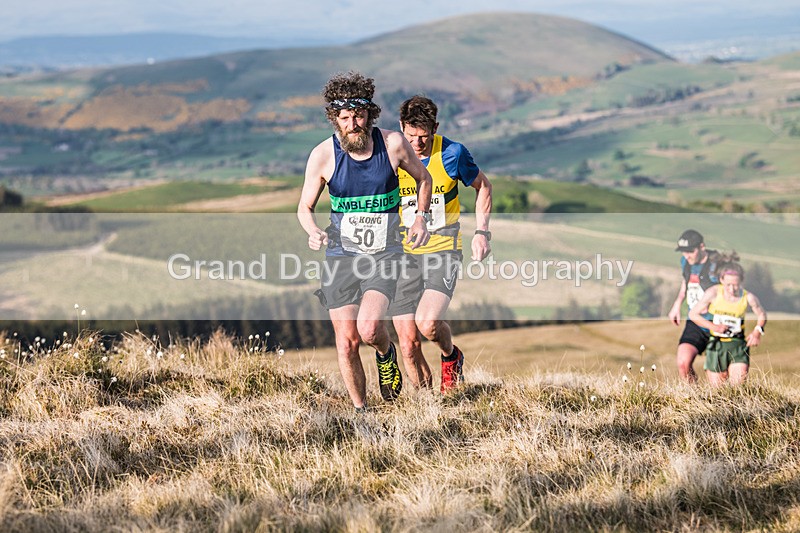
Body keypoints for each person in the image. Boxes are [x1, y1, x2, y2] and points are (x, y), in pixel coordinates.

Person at [297, 72, 433, 410]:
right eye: (345, 118)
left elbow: (424, 179)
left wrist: (420, 217)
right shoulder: (323, 155)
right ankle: (362, 412)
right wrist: (312, 230)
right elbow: (304, 206)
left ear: (370, 114)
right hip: (342, 256)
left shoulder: (393, 145)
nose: (353, 124)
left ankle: (386, 354)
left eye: (359, 116)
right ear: (335, 119)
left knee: (370, 329)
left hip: (385, 253)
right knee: (346, 342)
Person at [388, 95, 493, 392]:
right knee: (408, 345)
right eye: (410, 136)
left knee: (428, 323)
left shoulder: (453, 153)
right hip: (402, 255)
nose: (417, 144)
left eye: (423, 137)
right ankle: (428, 407)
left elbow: (483, 185)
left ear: (435, 127)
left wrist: (482, 232)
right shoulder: (391, 153)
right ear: (401, 128)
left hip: (442, 249)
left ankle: (451, 355)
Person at [688, 254, 767, 386]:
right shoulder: (713, 293)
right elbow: (693, 314)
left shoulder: (748, 297)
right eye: (728, 284)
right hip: (716, 346)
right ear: (721, 280)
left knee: (737, 388)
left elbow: (762, 314)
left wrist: (757, 331)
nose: (732, 289)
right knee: (718, 391)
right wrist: (714, 327)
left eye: (735, 285)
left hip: (738, 345)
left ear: (741, 281)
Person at [667, 229, 719, 383]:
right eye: (683, 252)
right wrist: (677, 304)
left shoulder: (717, 264)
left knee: (715, 377)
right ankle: (694, 399)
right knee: (683, 363)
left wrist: (709, 304)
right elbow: (686, 282)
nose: (686, 255)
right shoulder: (686, 262)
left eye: (690, 251)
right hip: (695, 321)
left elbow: (730, 290)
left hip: (717, 323)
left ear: (702, 247)